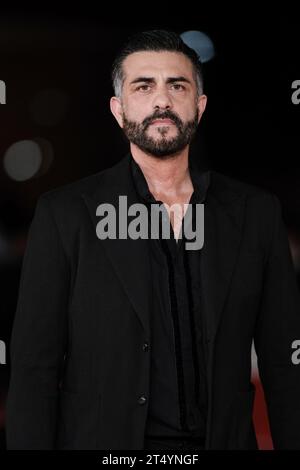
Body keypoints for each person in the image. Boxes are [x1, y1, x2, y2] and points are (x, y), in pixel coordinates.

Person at [5, 29, 300, 450]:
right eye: (143, 86)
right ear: (118, 109)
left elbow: (285, 363)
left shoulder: (256, 214)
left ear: (199, 106)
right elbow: (35, 368)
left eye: (176, 85)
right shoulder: (65, 215)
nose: (162, 100)